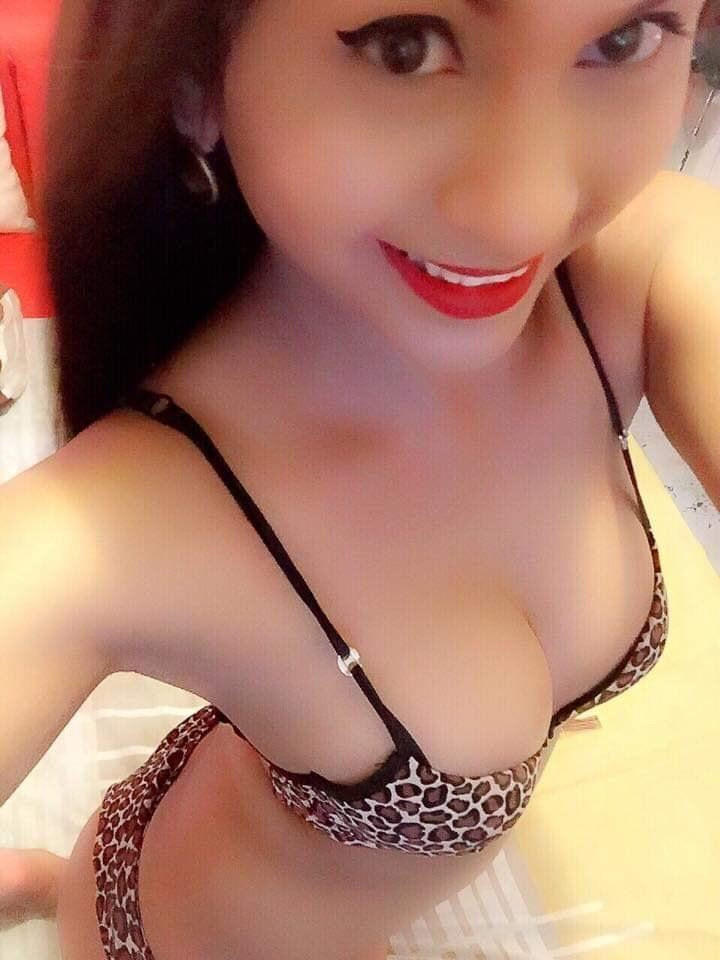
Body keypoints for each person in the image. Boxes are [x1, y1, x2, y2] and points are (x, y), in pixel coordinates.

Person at [1, 0, 717, 957]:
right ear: (194, 79)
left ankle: (43, 879)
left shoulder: (630, 278)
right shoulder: (115, 523)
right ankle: (67, 888)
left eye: (622, 40)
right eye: (404, 47)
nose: (528, 209)